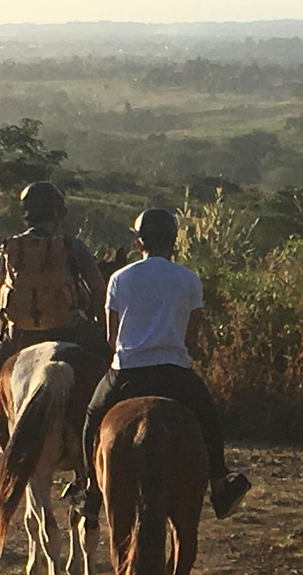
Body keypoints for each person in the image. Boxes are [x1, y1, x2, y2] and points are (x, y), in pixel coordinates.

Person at [78, 207, 250, 526]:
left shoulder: (119, 278)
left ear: (139, 244)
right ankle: (219, 486)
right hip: (174, 373)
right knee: (208, 419)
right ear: (174, 242)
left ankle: (89, 490)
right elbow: (191, 339)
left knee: (91, 417)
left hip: (127, 373)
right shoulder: (188, 279)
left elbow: (111, 338)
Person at [0, 181, 110, 468]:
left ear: (27, 213)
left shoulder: (8, 247)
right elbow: (98, 291)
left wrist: (11, 325)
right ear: (58, 212)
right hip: (69, 328)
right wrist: (99, 326)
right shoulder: (72, 246)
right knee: (112, 366)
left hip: (19, 334)